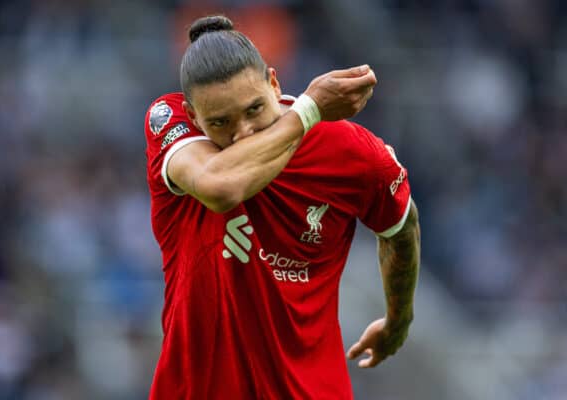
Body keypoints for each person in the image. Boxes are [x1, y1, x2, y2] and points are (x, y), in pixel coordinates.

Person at [144, 15, 420, 400]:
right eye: (220, 122)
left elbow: (401, 227)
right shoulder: (171, 125)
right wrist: (308, 111)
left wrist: (398, 320)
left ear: (274, 84)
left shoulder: (350, 151)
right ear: (193, 117)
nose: (243, 132)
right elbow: (221, 187)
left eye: (254, 109)